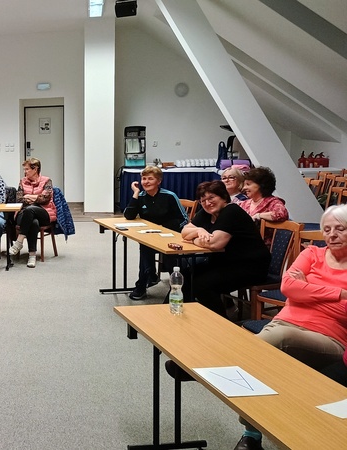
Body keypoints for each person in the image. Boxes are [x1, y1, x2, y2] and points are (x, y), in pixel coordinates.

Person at [232, 204, 347, 450]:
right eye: (327, 229)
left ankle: (221, 365)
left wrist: (307, 289)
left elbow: (340, 311)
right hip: (284, 322)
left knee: (277, 339)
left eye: (340, 229)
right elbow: (288, 288)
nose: (332, 235)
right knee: (267, 361)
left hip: (329, 338)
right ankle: (251, 434)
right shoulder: (312, 253)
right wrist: (338, 293)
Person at [180, 180, 270, 317]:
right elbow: (184, 232)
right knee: (185, 275)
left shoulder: (231, 211)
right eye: (203, 200)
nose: (207, 203)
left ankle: (221, 322)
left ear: (223, 197)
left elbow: (214, 244)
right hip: (226, 262)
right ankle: (176, 314)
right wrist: (199, 230)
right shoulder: (207, 213)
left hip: (250, 266)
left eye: (211, 198)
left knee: (201, 285)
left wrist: (193, 239)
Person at [122, 166, 189, 300]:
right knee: (145, 247)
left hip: (169, 236)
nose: (146, 182)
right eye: (143, 179)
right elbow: (129, 215)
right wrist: (135, 193)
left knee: (168, 258)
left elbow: (184, 219)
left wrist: (164, 229)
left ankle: (170, 285)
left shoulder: (169, 196)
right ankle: (145, 281)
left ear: (158, 181)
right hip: (149, 236)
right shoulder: (141, 196)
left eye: (150, 179)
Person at [8, 158, 56, 269]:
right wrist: (36, 198)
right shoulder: (22, 181)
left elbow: (45, 199)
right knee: (33, 222)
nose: (25, 172)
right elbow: (19, 199)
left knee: (31, 210)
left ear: (35, 169)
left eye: (27, 169)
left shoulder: (47, 181)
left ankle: (19, 241)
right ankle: (32, 256)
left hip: (43, 212)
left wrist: (29, 196)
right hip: (23, 213)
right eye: (24, 169)